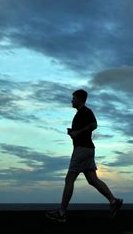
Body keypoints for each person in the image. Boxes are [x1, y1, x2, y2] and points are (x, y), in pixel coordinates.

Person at [46, 89, 123, 223]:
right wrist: (73, 133)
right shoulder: (80, 114)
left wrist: (78, 133)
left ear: (80, 99)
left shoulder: (86, 112)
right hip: (86, 149)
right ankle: (113, 201)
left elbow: (94, 125)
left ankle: (62, 213)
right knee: (92, 179)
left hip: (82, 149)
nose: (72, 100)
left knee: (69, 179)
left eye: (74, 98)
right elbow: (86, 129)